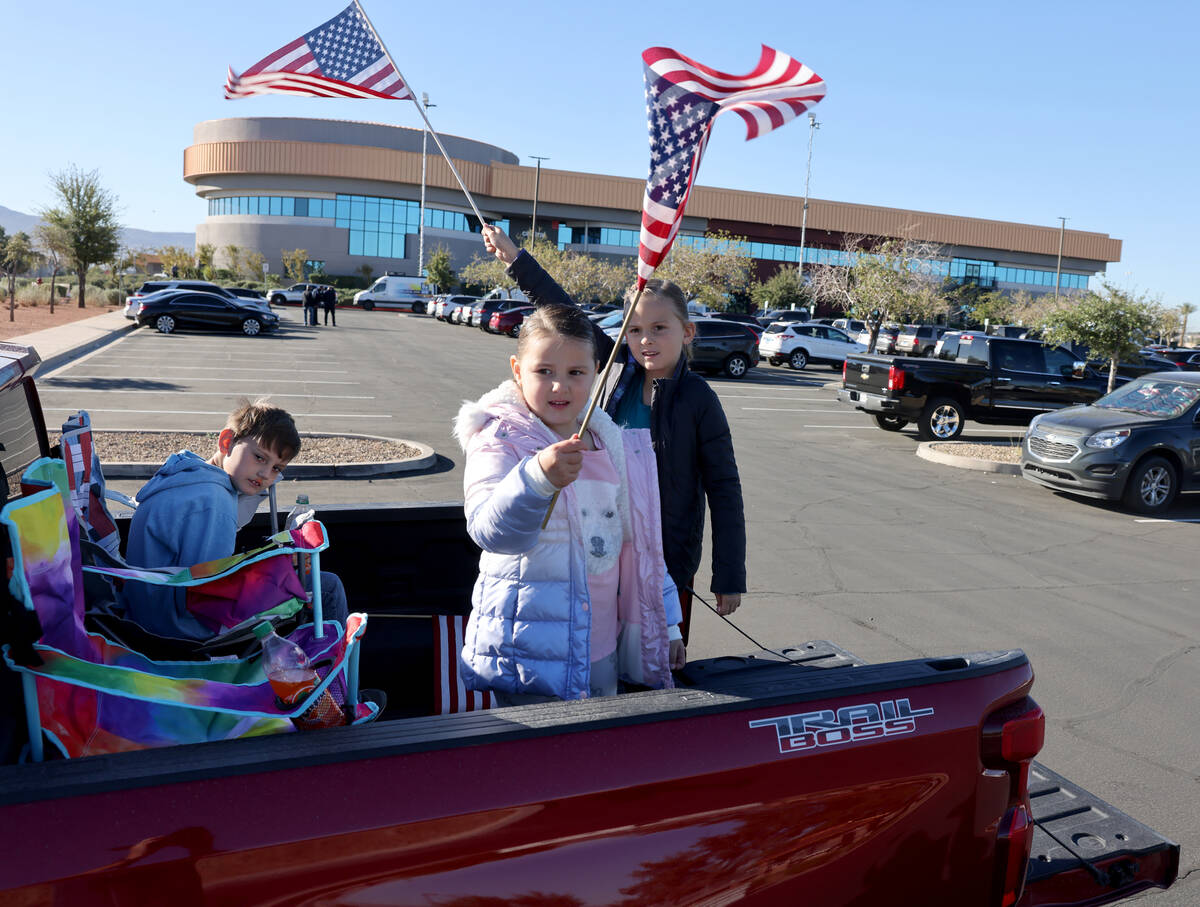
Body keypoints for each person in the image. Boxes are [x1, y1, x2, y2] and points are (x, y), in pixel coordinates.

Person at [481, 226, 746, 641]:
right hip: (605, 548)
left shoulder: (699, 400)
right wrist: (515, 257)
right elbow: (562, 309)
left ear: (687, 332)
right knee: (606, 649)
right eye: (635, 329)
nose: (646, 340)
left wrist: (728, 575)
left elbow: (725, 489)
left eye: (660, 328)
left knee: (659, 660)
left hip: (666, 558)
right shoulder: (617, 370)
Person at [453, 304, 684, 703]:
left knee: (597, 756)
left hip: (602, 649)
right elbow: (490, 531)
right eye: (545, 372)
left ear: (597, 371)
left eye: (575, 373)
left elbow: (640, 544)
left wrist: (670, 625)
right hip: (530, 656)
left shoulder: (610, 440)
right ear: (517, 369)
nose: (560, 386)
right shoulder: (499, 438)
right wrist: (537, 476)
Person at [124, 399, 349, 641]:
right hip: (175, 627)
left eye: (276, 468)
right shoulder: (214, 502)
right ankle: (328, 671)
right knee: (326, 587)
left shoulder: (186, 473)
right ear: (226, 442)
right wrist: (272, 568)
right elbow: (208, 593)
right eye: (260, 458)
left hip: (145, 609)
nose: (265, 474)